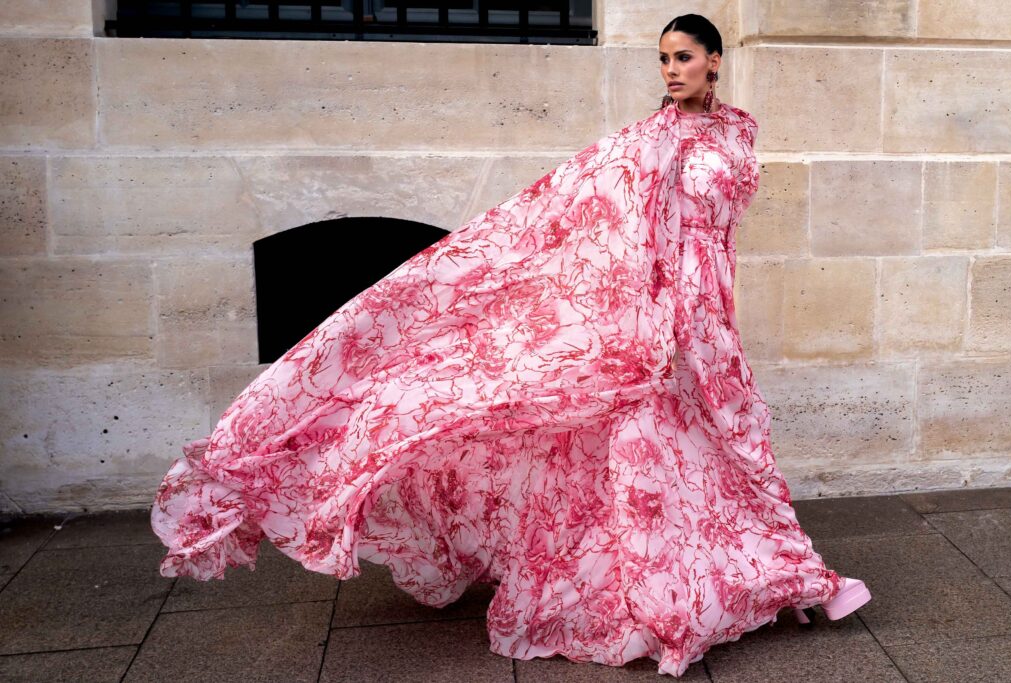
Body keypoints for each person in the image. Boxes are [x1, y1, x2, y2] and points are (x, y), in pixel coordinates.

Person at [150, 13, 871, 677]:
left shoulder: (738, 132)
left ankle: (786, 577)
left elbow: (721, 234)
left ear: (716, 61)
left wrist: (707, 323)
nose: (671, 70)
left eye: (684, 57)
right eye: (662, 59)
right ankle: (689, 599)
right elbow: (588, 222)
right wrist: (651, 320)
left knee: (732, 452)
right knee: (654, 462)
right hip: (662, 328)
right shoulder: (648, 142)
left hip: (715, 325)